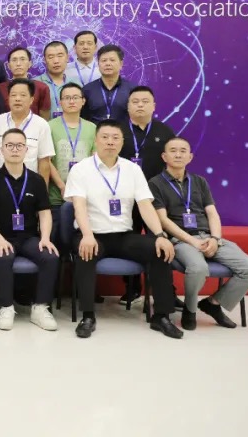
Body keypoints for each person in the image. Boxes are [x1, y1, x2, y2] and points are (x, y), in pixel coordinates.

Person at [63, 120, 183, 339]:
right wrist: (87, 235)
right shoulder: (81, 169)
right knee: (85, 252)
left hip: (124, 235)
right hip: (92, 234)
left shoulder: (132, 169)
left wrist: (159, 235)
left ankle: (161, 316)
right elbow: (79, 206)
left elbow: (145, 205)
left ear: (122, 142)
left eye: (115, 138)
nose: (110, 142)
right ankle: (88, 316)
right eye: (105, 137)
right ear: (96, 141)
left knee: (159, 250)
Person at [149, 137, 248, 330]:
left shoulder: (199, 181)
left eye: (183, 151)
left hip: (209, 237)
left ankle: (213, 304)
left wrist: (215, 239)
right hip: (181, 240)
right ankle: (190, 309)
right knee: (198, 268)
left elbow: (212, 213)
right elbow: (162, 220)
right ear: (164, 156)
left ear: (190, 157)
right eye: (173, 150)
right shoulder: (155, 183)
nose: (178, 154)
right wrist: (192, 241)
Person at [0, 129, 59, 331]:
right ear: (2, 149)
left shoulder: (36, 180)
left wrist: (45, 238)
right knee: (4, 256)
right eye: (10, 145)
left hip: (28, 237)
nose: (15, 149)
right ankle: (6, 307)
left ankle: (40, 308)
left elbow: (45, 213)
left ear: (26, 150)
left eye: (19, 145)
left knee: (50, 256)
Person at [48, 83, 96, 230]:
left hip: (85, 194)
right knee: (57, 235)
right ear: (60, 102)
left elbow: (94, 160)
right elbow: (46, 161)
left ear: (83, 101)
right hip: (57, 195)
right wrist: (62, 186)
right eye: (67, 98)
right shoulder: (49, 126)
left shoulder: (92, 128)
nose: (71, 101)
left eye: (75, 97)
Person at [0, 79, 55, 182]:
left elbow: (44, 161)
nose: (17, 99)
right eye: (13, 95)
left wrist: (43, 189)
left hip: (29, 184)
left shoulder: (41, 125)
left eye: (23, 95)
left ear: (31, 100)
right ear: (8, 99)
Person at [119, 86, 177, 180]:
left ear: (154, 106)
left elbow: (173, 161)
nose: (140, 105)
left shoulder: (165, 131)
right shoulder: (117, 130)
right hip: (123, 184)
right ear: (128, 106)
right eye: (135, 102)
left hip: (156, 185)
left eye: (145, 101)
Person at [81, 44, 136, 123]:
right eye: (104, 60)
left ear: (121, 64)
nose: (108, 64)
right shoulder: (87, 90)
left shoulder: (133, 90)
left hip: (123, 131)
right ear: (98, 64)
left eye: (112, 60)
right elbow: (82, 119)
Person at [0, 47, 51, 119]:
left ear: (30, 64)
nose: (18, 64)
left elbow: (44, 116)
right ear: (8, 66)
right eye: (14, 60)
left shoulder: (41, 87)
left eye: (22, 59)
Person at [35, 41, 71, 119]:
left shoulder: (76, 83)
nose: (56, 61)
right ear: (44, 60)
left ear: (67, 57)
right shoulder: (35, 84)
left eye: (60, 56)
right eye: (51, 57)